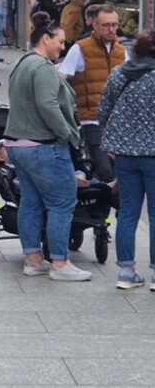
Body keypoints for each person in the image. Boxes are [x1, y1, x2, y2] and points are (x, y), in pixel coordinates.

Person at [4, 12, 91, 282]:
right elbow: (48, 105)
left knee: (31, 202)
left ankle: (33, 260)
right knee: (62, 202)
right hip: (43, 146)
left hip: (18, 143)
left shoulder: (22, 63)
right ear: (46, 38)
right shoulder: (42, 68)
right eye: (60, 42)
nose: (63, 47)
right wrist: (68, 134)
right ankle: (60, 263)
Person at [98, 32, 155, 290]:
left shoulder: (120, 73)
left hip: (124, 155)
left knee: (128, 211)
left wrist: (110, 141)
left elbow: (104, 110)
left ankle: (126, 271)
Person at [58, 4, 126, 183]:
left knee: (119, 173)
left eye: (114, 25)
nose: (111, 29)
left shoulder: (122, 51)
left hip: (117, 122)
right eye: (106, 25)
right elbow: (62, 77)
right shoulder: (80, 48)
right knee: (106, 171)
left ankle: (100, 201)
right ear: (94, 25)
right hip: (91, 119)